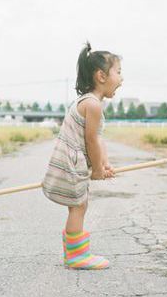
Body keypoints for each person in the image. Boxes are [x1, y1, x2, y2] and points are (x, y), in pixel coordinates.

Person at [42, 41, 123, 270]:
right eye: (118, 72)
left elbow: (98, 137)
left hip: (73, 160)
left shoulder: (90, 102)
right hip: (71, 162)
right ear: (101, 76)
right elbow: (91, 141)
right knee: (78, 206)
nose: (122, 79)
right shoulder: (93, 105)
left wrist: (104, 163)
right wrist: (97, 170)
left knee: (80, 205)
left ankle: (75, 253)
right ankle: (76, 257)